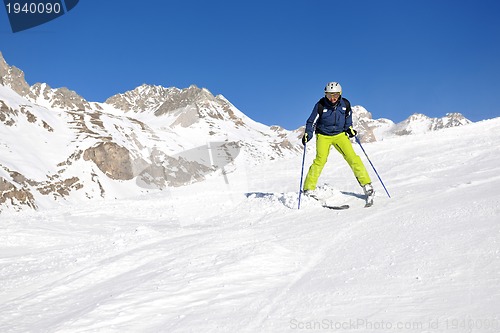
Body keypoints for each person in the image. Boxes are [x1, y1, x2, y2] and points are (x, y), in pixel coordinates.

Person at [302, 82, 374, 200]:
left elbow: (348, 119)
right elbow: (311, 121)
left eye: (335, 95)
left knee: (353, 158)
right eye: (329, 95)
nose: (332, 98)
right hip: (323, 135)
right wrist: (308, 133)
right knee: (320, 160)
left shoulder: (345, 104)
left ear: (340, 94)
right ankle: (308, 189)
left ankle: (367, 185)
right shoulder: (320, 105)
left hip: (340, 135)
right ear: (325, 95)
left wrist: (349, 129)